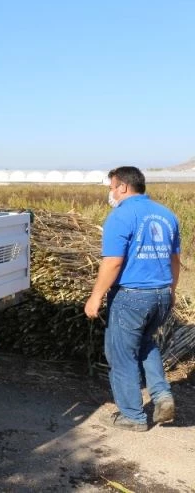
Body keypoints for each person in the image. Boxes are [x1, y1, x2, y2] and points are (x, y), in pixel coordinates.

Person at [84, 166, 181, 432]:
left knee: (122, 354)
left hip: (132, 296)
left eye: (111, 188)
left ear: (123, 187)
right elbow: (175, 261)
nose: (111, 193)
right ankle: (161, 396)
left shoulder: (121, 216)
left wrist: (95, 297)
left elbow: (113, 263)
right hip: (161, 293)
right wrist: (170, 291)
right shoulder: (166, 215)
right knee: (146, 344)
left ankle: (133, 417)